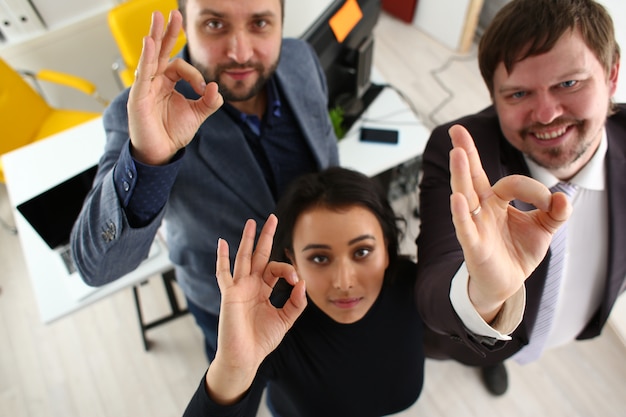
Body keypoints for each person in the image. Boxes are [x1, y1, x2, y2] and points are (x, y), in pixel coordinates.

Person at [70, 0, 338, 360]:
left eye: (260, 24)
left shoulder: (300, 59)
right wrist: (150, 159)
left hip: (319, 287)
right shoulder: (142, 110)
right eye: (215, 25)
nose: (240, 53)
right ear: (186, 27)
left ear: (281, 23)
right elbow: (96, 266)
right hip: (228, 313)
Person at [416, 0, 626, 397]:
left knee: (520, 346)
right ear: (494, 98)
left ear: (612, 75)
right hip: (472, 338)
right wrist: (486, 294)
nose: (546, 114)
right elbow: (432, 286)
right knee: (487, 348)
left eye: (569, 83)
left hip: (565, 326)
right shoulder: (463, 151)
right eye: (518, 94)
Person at [182, 166, 425, 416]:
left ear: (385, 248)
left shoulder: (415, 287)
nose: (343, 283)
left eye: (362, 252)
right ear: (293, 260)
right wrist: (232, 369)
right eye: (320, 258)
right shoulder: (274, 330)